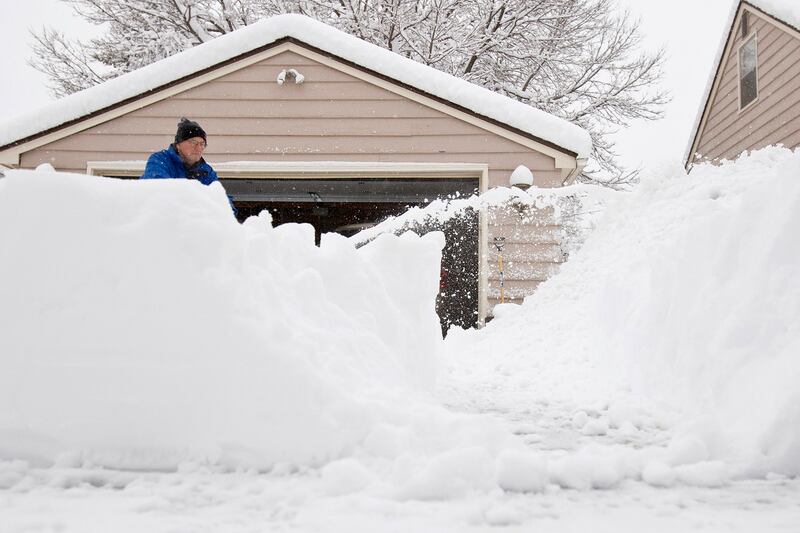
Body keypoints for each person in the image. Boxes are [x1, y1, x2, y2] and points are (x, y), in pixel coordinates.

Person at [140, 117, 236, 214]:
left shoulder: (206, 172)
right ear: (178, 145)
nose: (198, 148)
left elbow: (224, 203)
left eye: (202, 144)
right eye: (193, 142)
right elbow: (159, 192)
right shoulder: (160, 160)